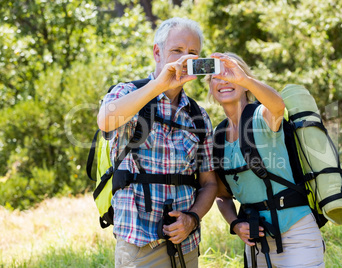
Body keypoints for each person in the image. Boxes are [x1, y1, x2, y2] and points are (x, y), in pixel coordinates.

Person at [97, 17, 217, 268]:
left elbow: (209, 184)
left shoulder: (199, 116)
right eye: (177, 51)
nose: (185, 59)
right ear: (157, 52)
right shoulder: (127, 92)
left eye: (193, 53)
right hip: (139, 244)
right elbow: (105, 121)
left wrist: (192, 219)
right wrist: (159, 84)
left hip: (186, 245)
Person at [207, 52, 325, 267]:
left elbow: (278, 106)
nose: (224, 80)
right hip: (257, 242)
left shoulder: (261, 116)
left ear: (244, 83)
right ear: (210, 87)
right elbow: (222, 196)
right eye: (216, 76)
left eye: (230, 73)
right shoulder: (217, 137)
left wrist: (245, 79)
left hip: (297, 233)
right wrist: (235, 224)